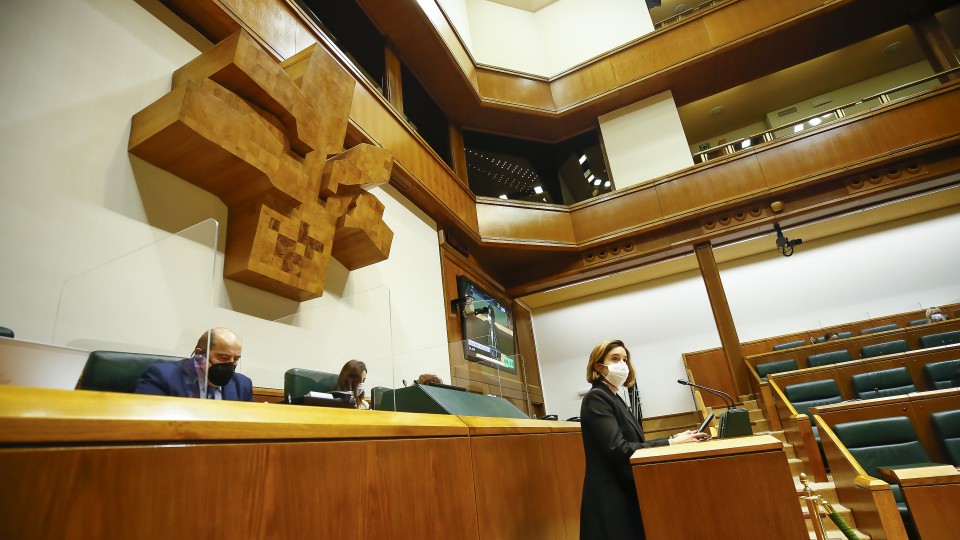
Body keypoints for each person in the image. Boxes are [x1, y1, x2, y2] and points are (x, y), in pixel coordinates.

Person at [579, 339, 708, 540]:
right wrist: (671, 443)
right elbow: (619, 449)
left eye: (625, 359)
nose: (623, 364)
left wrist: (674, 437)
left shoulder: (614, 396)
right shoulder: (597, 397)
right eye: (615, 359)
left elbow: (634, 442)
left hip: (624, 489)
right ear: (598, 366)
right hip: (610, 496)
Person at [135, 328, 252, 401]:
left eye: (236, 359)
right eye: (223, 357)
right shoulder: (161, 377)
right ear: (199, 354)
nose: (230, 364)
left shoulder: (242, 385)